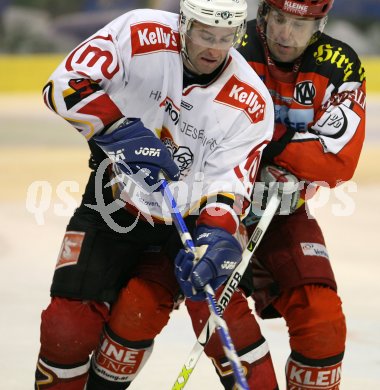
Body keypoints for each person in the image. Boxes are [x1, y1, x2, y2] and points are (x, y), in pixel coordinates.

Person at [34, 0, 278, 389]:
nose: (214, 49)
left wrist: (215, 238)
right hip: (112, 201)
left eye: (225, 38)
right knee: (66, 328)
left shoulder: (250, 102)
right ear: (183, 25)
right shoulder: (138, 34)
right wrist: (117, 130)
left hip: (183, 225)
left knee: (154, 317)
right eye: (204, 34)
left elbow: (228, 188)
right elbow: (63, 84)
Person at [224, 0, 364, 388]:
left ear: (321, 24)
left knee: (322, 325)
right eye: (280, 20)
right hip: (203, 208)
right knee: (127, 310)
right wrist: (274, 160)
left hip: (278, 214)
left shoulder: (339, 63)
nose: (286, 34)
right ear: (264, 14)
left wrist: (277, 165)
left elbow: (338, 159)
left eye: (300, 25)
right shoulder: (228, 42)